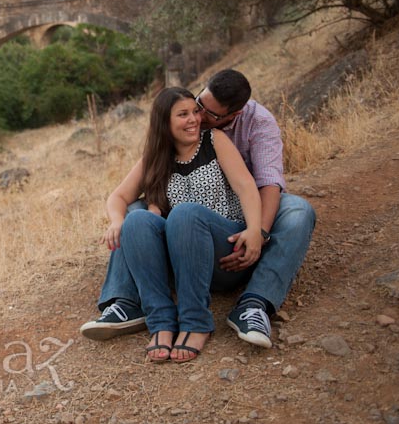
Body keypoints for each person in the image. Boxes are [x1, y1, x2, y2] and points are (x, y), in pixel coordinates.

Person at [80, 69, 316, 350]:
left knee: (296, 211)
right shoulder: (163, 149)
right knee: (136, 215)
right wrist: (117, 220)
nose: (197, 117)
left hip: (228, 231)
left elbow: (257, 186)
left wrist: (258, 231)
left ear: (232, 116)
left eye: (202, 113)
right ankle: (135, 307)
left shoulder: (235, 131)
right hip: (184, 239)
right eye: (192, 109)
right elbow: (119, 195)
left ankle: (246, 307)